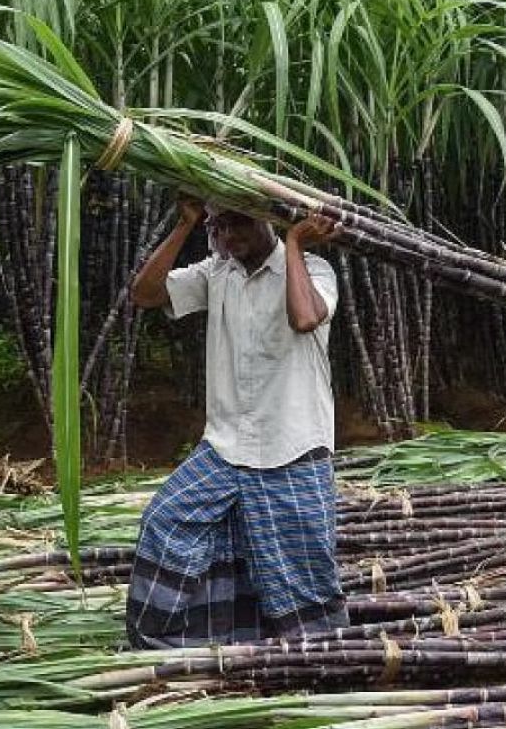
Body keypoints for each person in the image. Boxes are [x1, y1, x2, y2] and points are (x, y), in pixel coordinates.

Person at [124, 198, 345, 647]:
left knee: (301, 572)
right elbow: (144, 295)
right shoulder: (216, 273)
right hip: (225, 448)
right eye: (219, 227)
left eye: (239, 223)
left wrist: (296, 242)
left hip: (293, 447)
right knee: (165, 521)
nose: (228, 237)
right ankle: (175, 645)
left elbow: (305, 318)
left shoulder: (314, 271)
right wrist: (185, 223)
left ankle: (321, 657)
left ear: (269, 220)